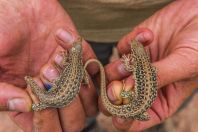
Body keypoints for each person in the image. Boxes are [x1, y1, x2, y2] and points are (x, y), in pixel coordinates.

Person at [0, 0, 197, 132]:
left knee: (96, 102)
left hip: (176, 24)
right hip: (69, 18)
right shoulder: (139, 67)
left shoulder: (136, 67)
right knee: (83, 107)